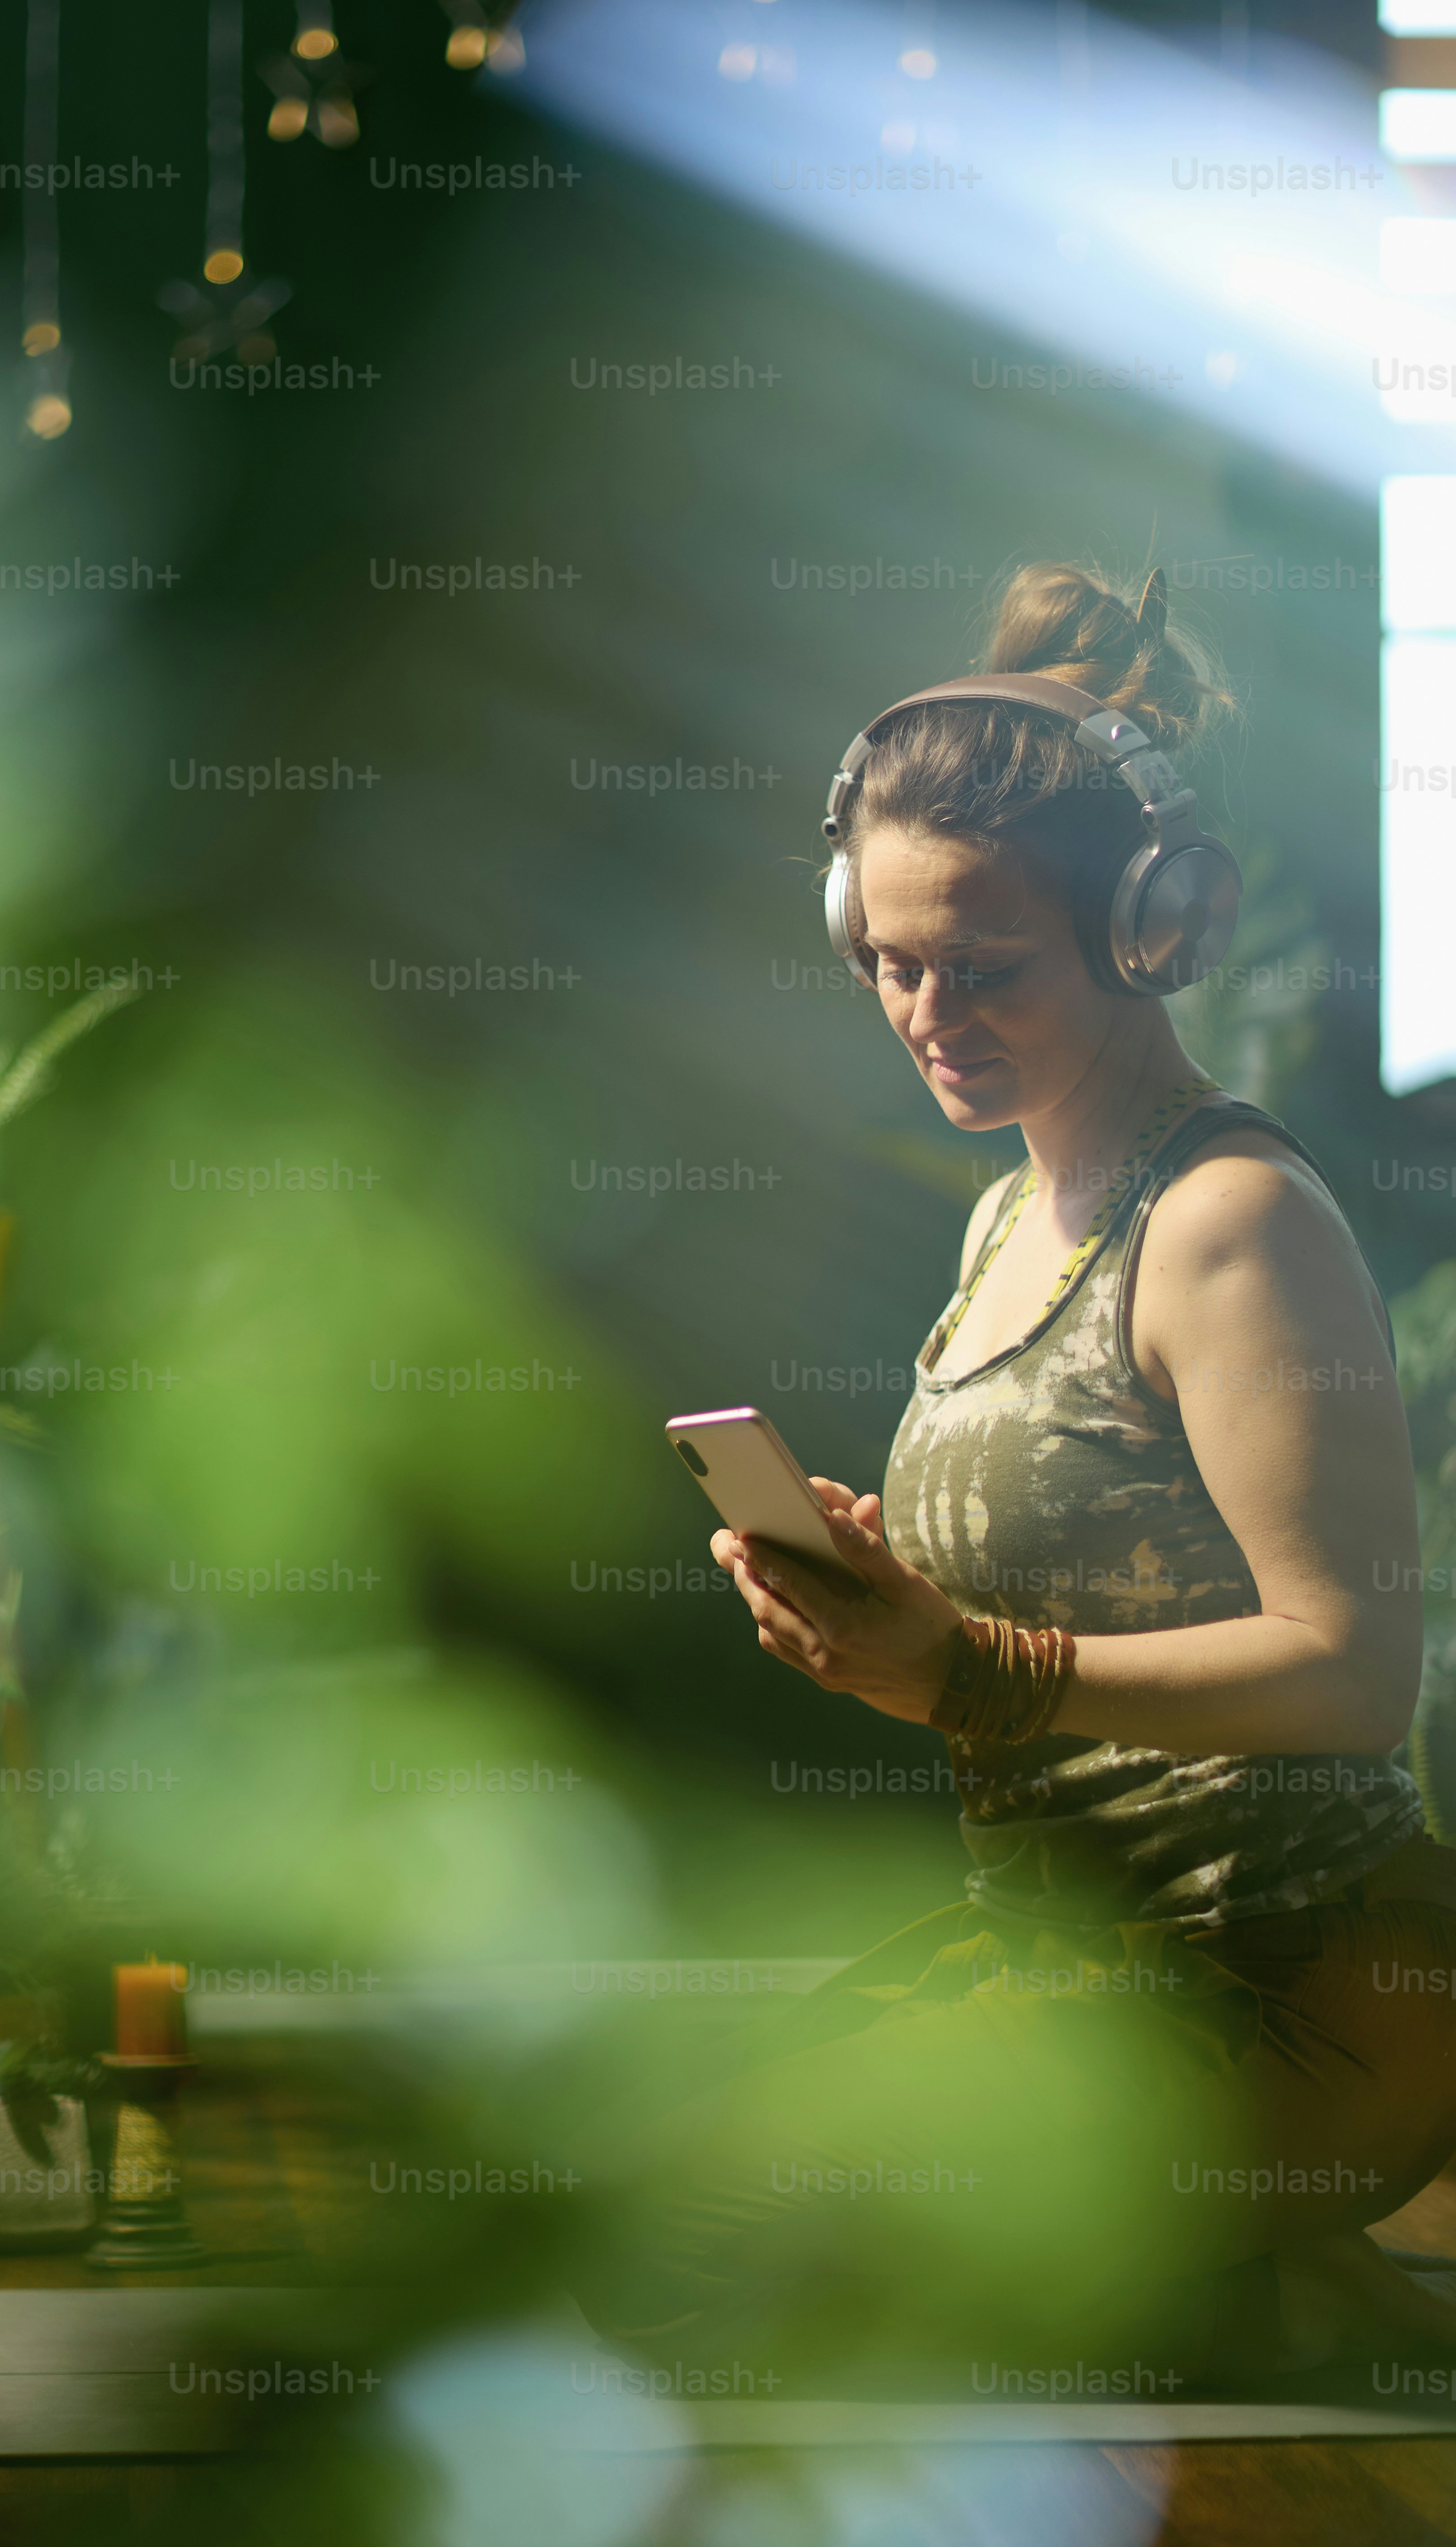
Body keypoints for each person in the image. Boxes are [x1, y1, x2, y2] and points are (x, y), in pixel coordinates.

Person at [577, 565, 1456, 2390]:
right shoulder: (1006, 1212)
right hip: (1063, 1964)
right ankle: (1226, 2311)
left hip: (1291, 1991)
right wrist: (887, 1587)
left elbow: (1355, 1674)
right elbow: (1081, 1549)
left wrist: (982, 1672)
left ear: (1143, 933)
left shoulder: (1226, 1227)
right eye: (886, 962)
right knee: (644, 2244)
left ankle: (1241, 2315)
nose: (922, 1010)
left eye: (980, 969)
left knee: (801, 2307)